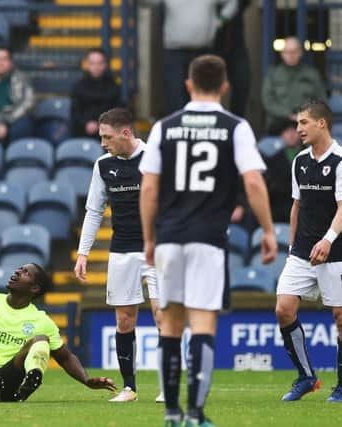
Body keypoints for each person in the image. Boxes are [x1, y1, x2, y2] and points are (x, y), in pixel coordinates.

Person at [140, 54, 277, 426]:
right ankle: (196, 414)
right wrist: (267, 230)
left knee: (169, 325)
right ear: (226, 86)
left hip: (168, 237)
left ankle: (171, 414)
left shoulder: (163, 127)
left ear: (188, 84)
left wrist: (150, 238)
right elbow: (252, 181)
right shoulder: (235, 127)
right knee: (202, 324)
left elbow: (149, 188)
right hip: (208, 238)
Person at [73, 108, 162, 403]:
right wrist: (83, 253)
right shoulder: (103, 166)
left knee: (164, 317)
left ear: (126, 133)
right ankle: (129, 388)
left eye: (106, 137)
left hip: (157, 250)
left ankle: (168, 387)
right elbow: (94, 211)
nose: (102, 143)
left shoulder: (156, 158)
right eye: (101, 137)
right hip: (122, 250)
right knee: (125, 320)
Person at [0, 263, 117, 402]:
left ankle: (31, 379)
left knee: (41, 339)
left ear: (35, 288)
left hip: (4, 389)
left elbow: (65, 357)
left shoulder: (41, 320)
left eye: (25, 273)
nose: (17, 272)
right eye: (19, 269)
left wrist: (86, 380)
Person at [275, 100, 342, 403]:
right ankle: (306, 376)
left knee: (340, 317)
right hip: (302, 251)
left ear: (321, 123)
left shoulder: (340, 160)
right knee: (283, 308)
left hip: (336, 250)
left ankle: (341, 386)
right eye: (298, 123)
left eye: (303, 123)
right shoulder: (299, 161)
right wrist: (292, 247)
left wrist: (328, 239)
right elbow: (296, 205)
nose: (298, 128)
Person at [154, 0, 238, 114]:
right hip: (175, 53)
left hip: (203, 51)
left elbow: (232, 3)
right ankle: (178, 128)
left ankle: (205, 128)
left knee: (205, 96)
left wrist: (221, 20)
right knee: (175, 96)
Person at [262, 37, 327, 135]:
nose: (291, 55)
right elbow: (267, 101)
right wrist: (288, 114)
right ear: (282, 54)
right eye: (287, 52)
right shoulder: (273, 74)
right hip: (279, 122)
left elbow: (321, 100)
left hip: (307, 122)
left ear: (300, 53)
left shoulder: (312, 74)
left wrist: (305, 116)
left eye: (294, 52)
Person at [70, 49, 121, 138]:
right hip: (82, 131)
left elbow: (115, 111)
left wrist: (99, 124)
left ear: (105, 65)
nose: (96, 67)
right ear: (87, 65)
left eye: (100, 63)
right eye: (92, 63)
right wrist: (86, 123)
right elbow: (75, 111)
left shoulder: (113, 86)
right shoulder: (79, 86)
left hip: (107, 132)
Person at [263, 126, 303, 223]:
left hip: (299, 204)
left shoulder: (309, 155)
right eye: (287, 131)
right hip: (276, 203)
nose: (291, 134)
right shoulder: (270, 156)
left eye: (295, 131)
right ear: (281, 135)